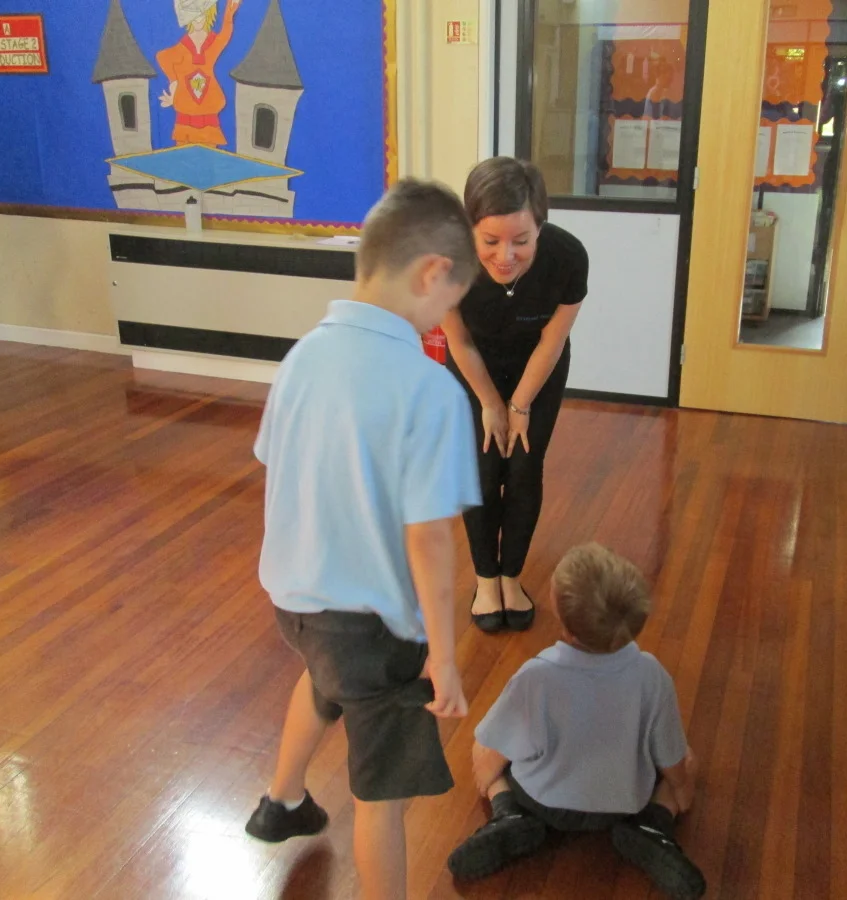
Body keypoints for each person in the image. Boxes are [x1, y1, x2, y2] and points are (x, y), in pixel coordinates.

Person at [244, 178, 482, 900]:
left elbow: (277, 463)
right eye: (453, 300)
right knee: (384, 797)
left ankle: (282, 801)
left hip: (297, 603)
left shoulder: (302, 356)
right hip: (376, 631)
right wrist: (445, 659)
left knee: (324, 677)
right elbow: (430, 541)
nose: (447, 318)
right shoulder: (430, 389)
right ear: (433, 274)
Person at [447, 543, 706, 900]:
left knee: (484, 745)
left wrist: (489, 778)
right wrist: (683, 792)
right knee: (687, 758)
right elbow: (672, 761)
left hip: (541, 800)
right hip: (622, 803)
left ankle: (508, 813)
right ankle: (654, 824)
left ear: (563, 620)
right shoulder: (652, 675)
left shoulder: (536, 676)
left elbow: (495, 749)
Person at [443, 157, 588, 633]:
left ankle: (511, 577)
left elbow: (553, 339)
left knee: (524, 466)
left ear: (540, 227)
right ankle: (486, 580)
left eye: (521, 241)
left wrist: (520, 404)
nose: (505, 256)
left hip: (537, 367)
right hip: (474, 367)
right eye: (490, 241)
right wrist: (490, 403)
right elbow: (459, 340)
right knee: (484, 470)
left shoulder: (568, 257)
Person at [157, 0, 240, 147]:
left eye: (202, 14)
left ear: (208, 15)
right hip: (185, 115)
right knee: (184, 155)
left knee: (209, 154)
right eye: (194, 15)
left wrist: (229, 12)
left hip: (209, 113)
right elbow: (163, 57)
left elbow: (226, 34)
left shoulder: (213, 43)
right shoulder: (182, 47)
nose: (198, 20)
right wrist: (174, 83)